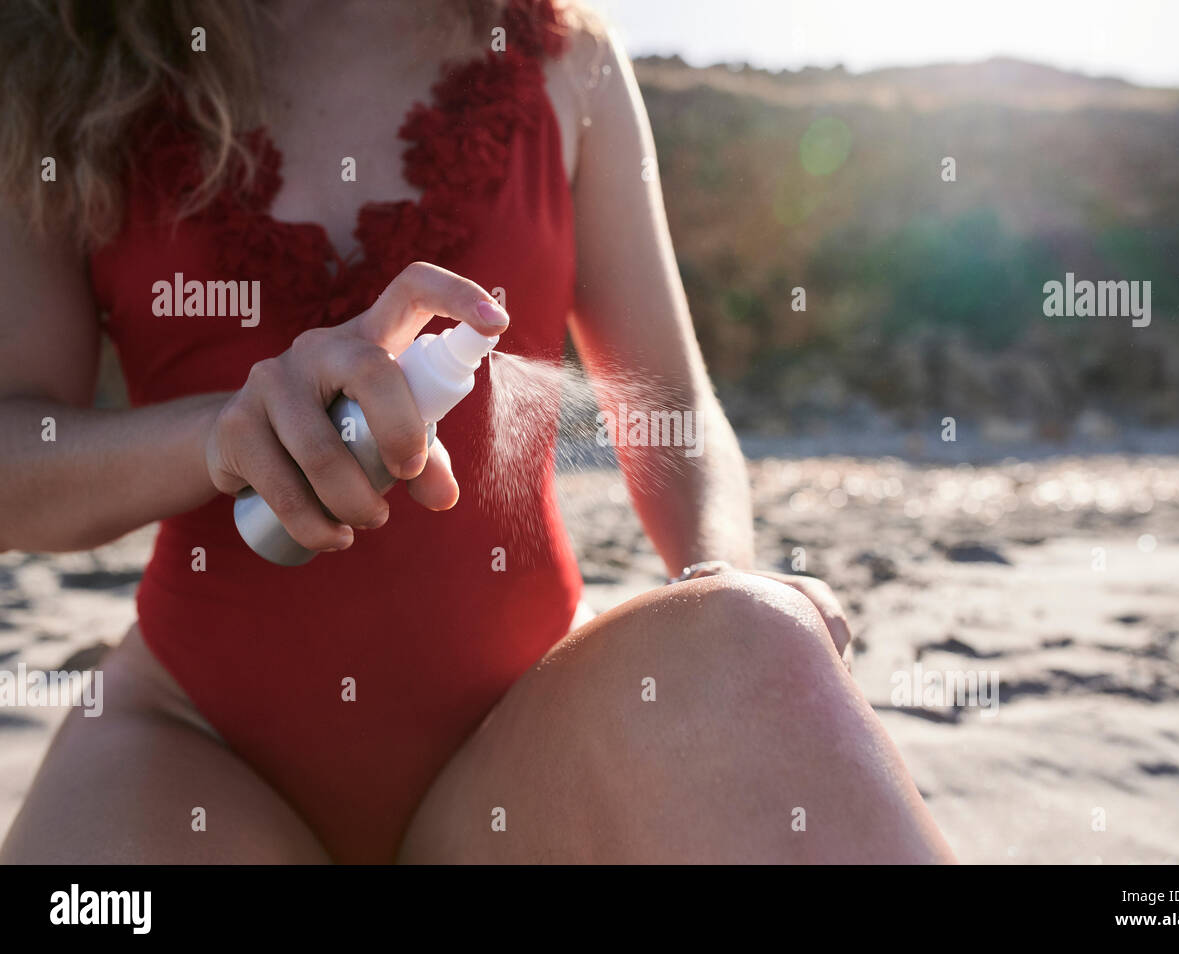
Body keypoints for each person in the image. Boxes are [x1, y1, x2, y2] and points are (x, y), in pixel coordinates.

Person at [0, 0, 954, 863]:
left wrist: (713, 572)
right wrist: (223, 434)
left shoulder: (564, 55)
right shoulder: (61, 57)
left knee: (752, 633)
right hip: (194, 743)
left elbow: (672, 402)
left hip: (530, 721)